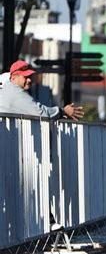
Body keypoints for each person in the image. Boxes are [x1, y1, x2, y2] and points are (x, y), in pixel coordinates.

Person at [0, 61, 84, 232]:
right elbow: (41, 112)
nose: (30, 80)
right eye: (26, 77)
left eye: (31, 77)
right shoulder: (14, 92)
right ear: (14, 77)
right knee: (30, 182)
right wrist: (62, 111)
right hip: (11, 148)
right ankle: (47, 222)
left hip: (9, 147)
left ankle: (41, 223)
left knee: (16, 188)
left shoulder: (7, 87)